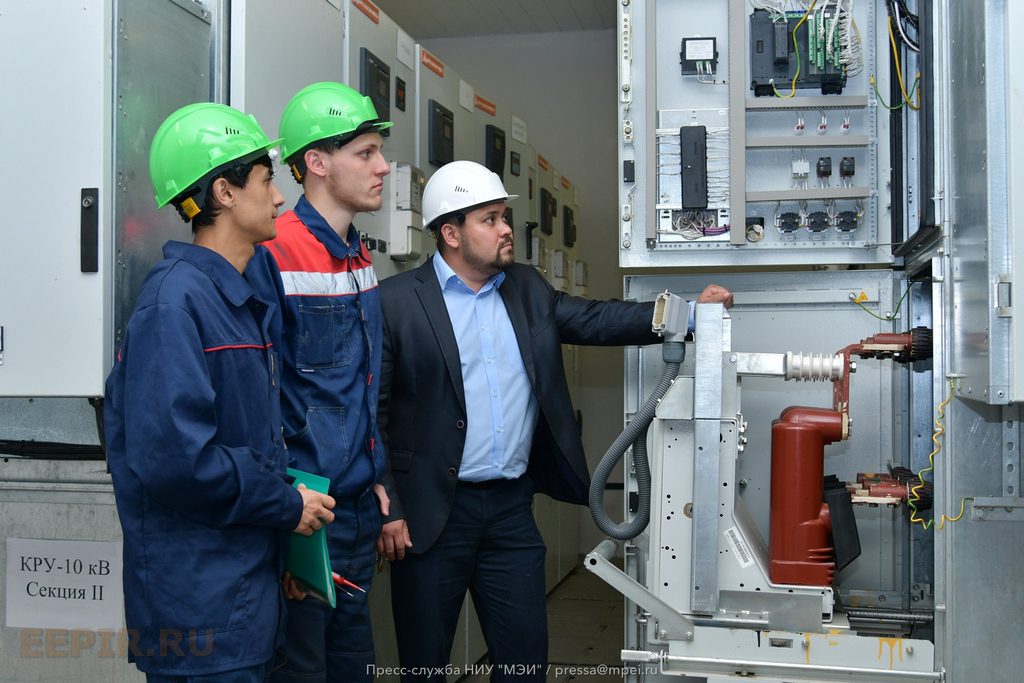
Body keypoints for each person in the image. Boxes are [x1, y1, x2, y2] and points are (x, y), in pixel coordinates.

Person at [375, 160, 733, 681]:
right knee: (424, 667)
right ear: (450, 234)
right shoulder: (395, 303)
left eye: (504, 218)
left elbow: (595, 317)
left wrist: (690, 314)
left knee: (524, 664)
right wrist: (389, 506)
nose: (505, 230)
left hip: (509, 511)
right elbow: (374, 413)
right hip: (431, 516)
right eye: (490, 220)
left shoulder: (526, 287)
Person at [105, 102, 337, 682]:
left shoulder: (233, 296)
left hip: (240, 595)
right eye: (266, 181)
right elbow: (179, 462)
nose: (281, 198)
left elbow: (251, 443)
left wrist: (283, 545)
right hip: (200, 612)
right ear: (224, 194)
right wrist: (286, 506)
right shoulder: (173, 306)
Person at [245, 82, 393, 683]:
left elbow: (361, 383)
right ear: (316, 163)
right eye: (365, 152)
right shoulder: (274, 251)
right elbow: (258, 394)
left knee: (352, 665)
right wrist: (282, 512)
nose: (383, 166)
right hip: (303, 514)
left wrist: (377, 473)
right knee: (302, 670)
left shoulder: (359, 253)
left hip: (354, 507)